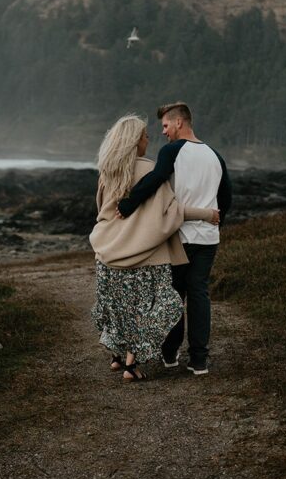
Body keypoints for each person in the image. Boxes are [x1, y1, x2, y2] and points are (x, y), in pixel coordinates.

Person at [89, 114, 219, 382]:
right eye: (146, 136)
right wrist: (207, 214)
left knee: (118, 305)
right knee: (156, 307)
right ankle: (131, 366)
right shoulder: (150, 171)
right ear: (136, 142)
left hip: (107, 251)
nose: (150, 140)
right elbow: (172, 212)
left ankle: (118, 356)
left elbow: (100, 209)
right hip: (144, 256)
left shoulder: (107, 172)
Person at [117, 102, 232, 376]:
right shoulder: (215, 155)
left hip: (178, 236)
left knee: (173, 296)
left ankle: (170, 354)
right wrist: (217, 221)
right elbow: (226, 196)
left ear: (179, 122)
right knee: (199, 294)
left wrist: (128, 204)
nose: (164, 132)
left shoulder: (172, 151)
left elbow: (157, 178)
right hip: (207, 238)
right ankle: (199, 360)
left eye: (166, 126)